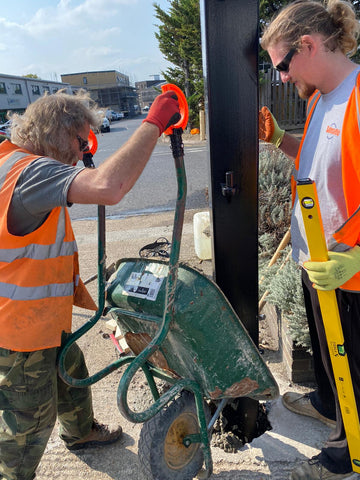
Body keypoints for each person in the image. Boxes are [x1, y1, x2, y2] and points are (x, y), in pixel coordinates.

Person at [0, 89, 180, 480]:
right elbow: (108, 187)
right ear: (56, 132)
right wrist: (153, 122)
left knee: (71, 368)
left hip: (36, 316)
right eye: (81, 142)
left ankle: (80, 432)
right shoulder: (32, 172)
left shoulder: (8, 161)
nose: (83, 153)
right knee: (24, 431)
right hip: (20, 331)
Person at [259, 0, 360, 478]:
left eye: (282, 65)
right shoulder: (321, 98)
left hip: (351, 271)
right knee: (325, 352)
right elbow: (322, 157)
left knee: (355, 368)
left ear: (308, 45)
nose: (280, 77)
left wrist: (357, 259)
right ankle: (325, 401)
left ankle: (347, 456)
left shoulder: (358, 97)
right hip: (318, 261)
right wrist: (282, 138)